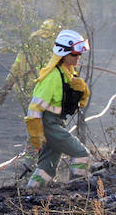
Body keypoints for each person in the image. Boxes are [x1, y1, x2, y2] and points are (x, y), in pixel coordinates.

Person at [24, 29, 92, 188]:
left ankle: (31, 191)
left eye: (79, 53)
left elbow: (80, 103)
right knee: (81, 154)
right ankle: (78, 189)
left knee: (47, 167)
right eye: (75, 53)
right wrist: (36, 133)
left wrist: (83, 90)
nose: (78, 56)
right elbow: (34, 108)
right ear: (63, 53)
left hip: (57, 123)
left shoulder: (68, 73)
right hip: (49, 125)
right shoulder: (52, 76)